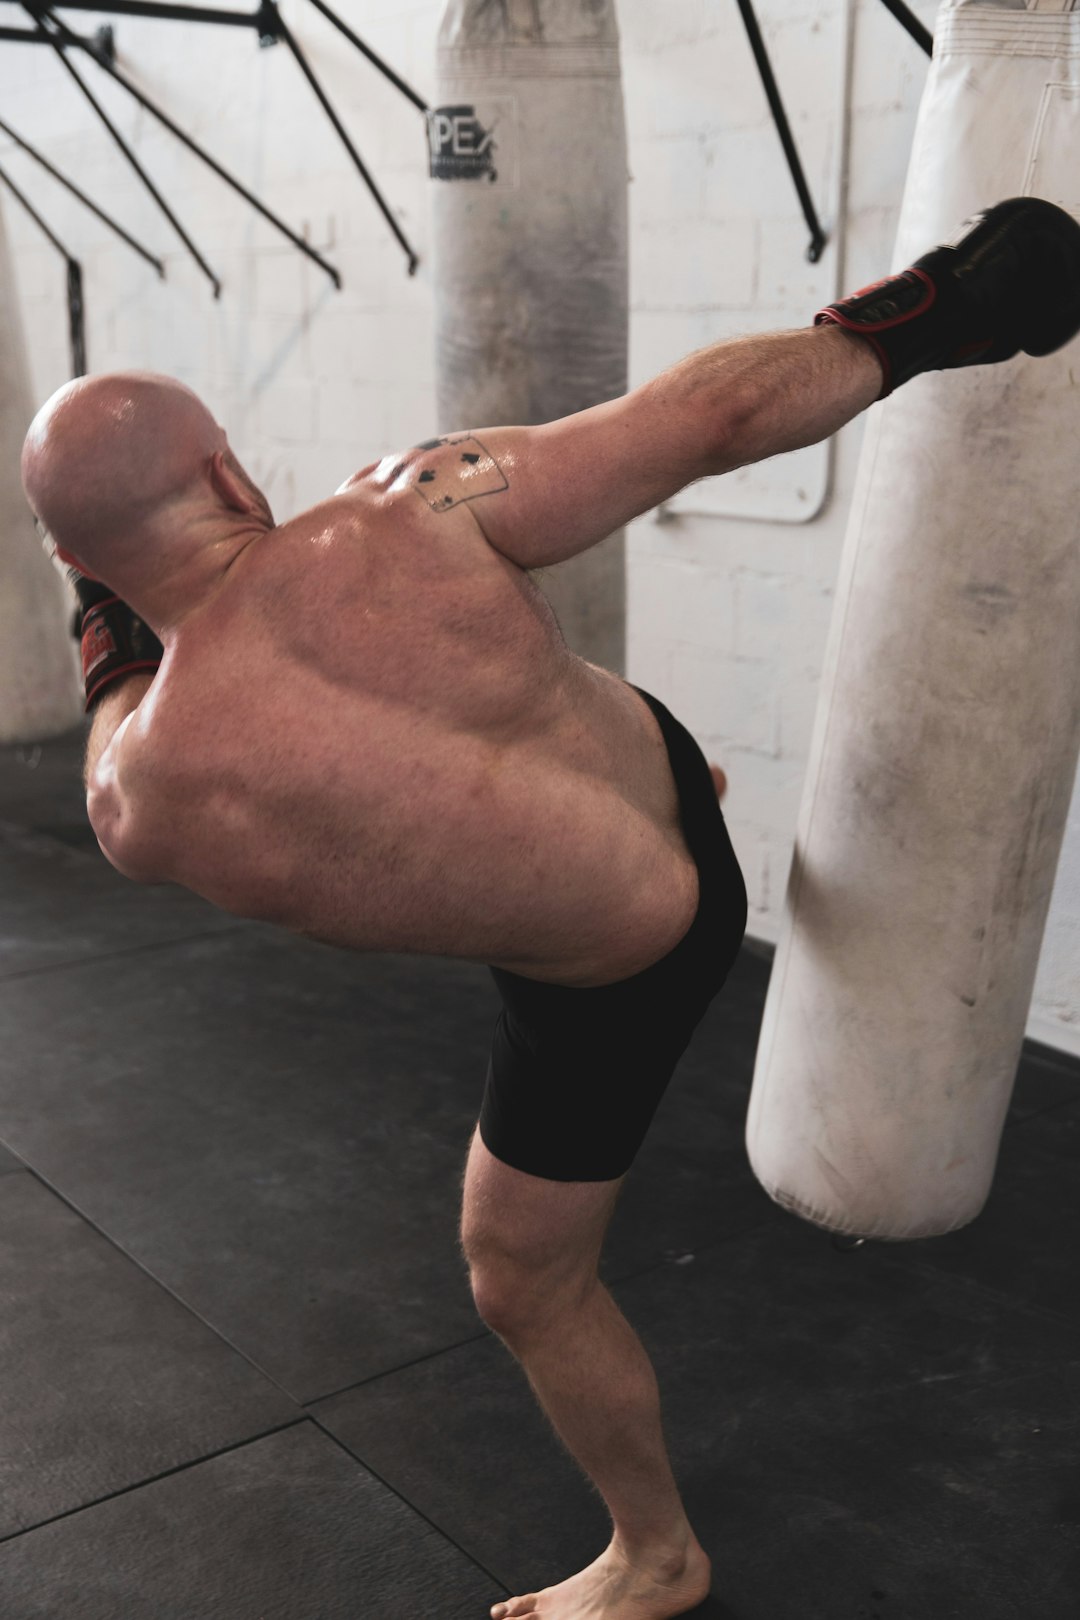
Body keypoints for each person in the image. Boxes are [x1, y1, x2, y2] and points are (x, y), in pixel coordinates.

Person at [21, 197, 1080, 1620]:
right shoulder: (415, 504)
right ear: (225, 469)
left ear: (78, 566)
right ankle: (676, 768)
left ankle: (657, 1559)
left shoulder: (139, 800)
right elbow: (708, 421)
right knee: (562, 713)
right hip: (667, 802)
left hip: (616, 970)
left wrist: (106, 618)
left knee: (519, 1282)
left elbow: (111, 711)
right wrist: (942, 306)